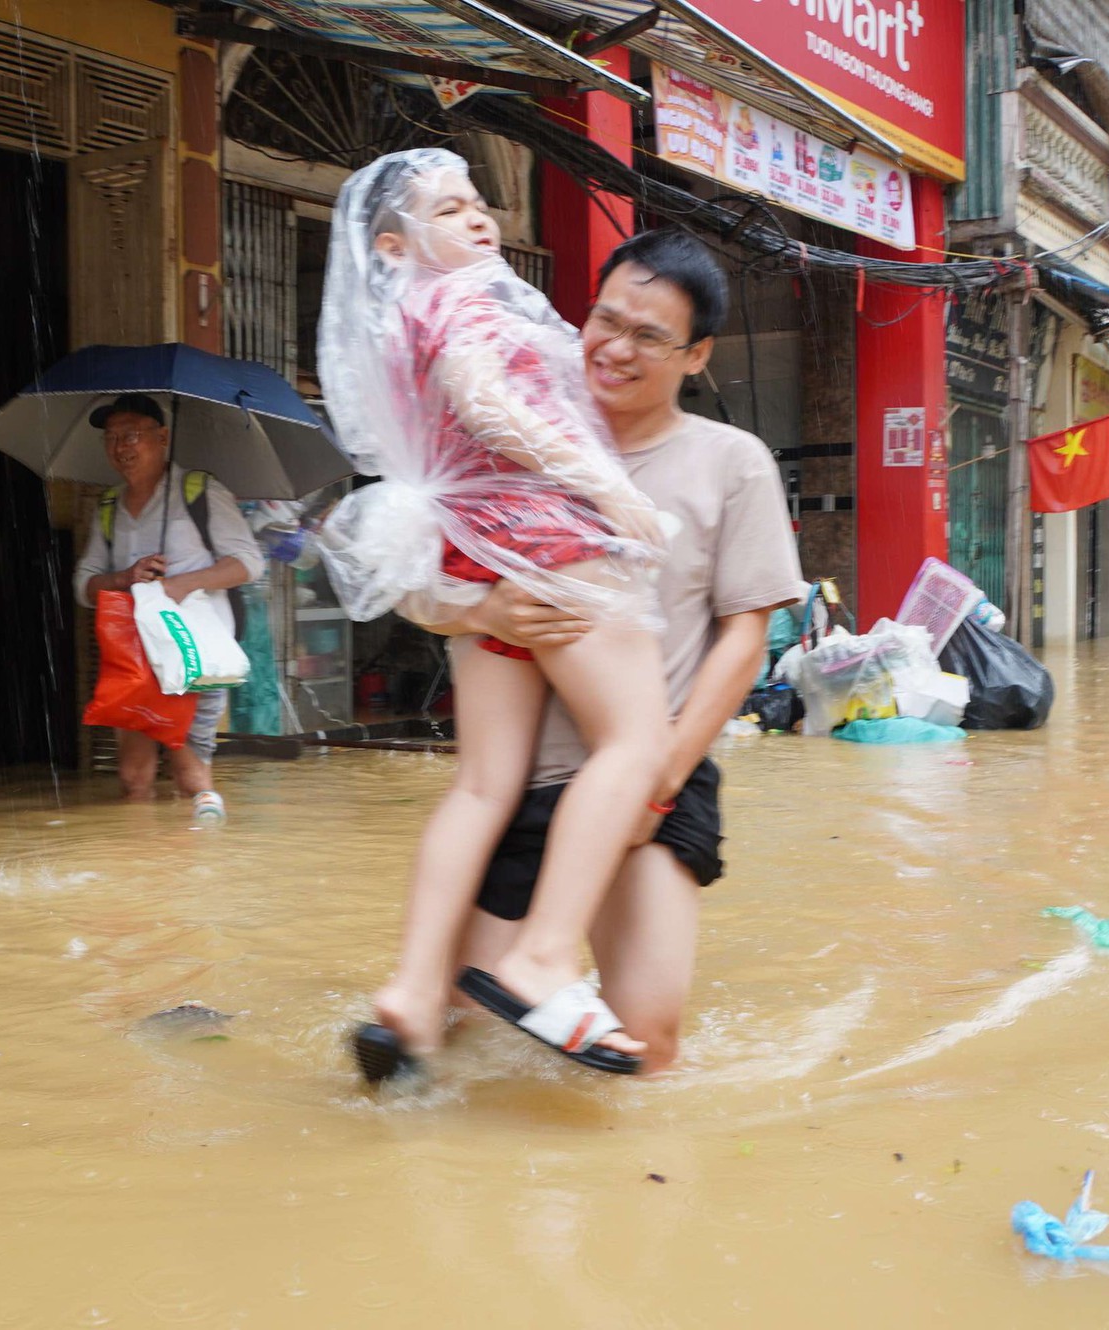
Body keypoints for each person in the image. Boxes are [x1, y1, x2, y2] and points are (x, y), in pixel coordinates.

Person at [319, 150, 675, 1080]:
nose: (479, 221)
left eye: (480, 204)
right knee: (635, 741)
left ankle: (411, 993)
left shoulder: (395, 325)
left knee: (483, 783)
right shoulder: (462, 300)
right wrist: (609, 488)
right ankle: (543, 955)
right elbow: (490, 406)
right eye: (450, 209)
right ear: (393, 246)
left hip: (477, 556)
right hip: (547, 541)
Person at [443, 230, 807, 1075]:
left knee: (646, 1046)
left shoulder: (730, 462)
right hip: (522, 784)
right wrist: (486, 603)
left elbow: (744, 635)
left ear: (696, 354)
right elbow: (432, 601)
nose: (615, 348)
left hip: (655, 776)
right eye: (605, 321)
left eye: (649, 335)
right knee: (461, 1035)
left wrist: (665, 775)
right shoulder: (517, 453)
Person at [73, 393, 265, 820]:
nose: (122, 447)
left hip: (194, 657)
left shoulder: (199, 491)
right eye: (112, 437)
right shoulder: (108, 507)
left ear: (163, 438)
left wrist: (181, 583)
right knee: (133, 778)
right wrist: (123, 578)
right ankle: (147, 870)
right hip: (136, 660)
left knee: (189, 775)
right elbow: (83, 585)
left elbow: (249, 563)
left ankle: (203, 865)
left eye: (133, 435)